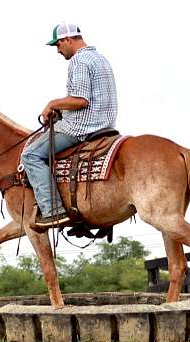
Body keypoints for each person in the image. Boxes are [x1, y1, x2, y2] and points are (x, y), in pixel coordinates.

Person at [21, 22, 118, 229]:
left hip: (82, 128)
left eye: (58, 44)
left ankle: (52, 210)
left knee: (29, 155)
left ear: (68, 40)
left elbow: (81, 100)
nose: (57, 50)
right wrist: (62, 110)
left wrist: (52, 105)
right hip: (106, 124)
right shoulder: (100, 58)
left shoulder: (79, 61)